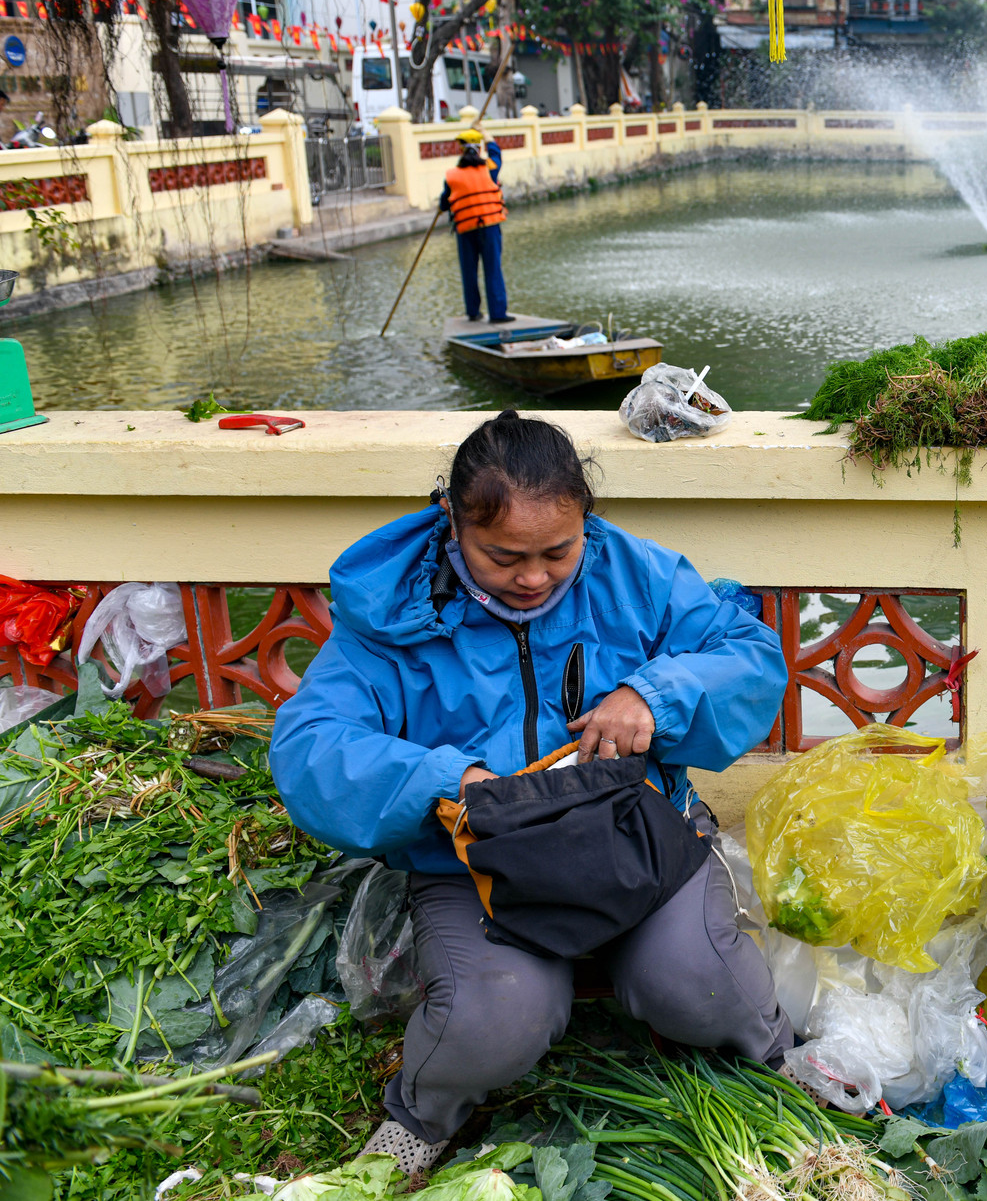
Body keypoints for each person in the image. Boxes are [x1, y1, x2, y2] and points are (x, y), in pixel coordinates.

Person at [270, 411, 791, 1173]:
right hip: (476, 866)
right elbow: (311, 742)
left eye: (559, 550)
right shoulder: (395, 610)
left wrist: (655, 696)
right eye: (503, 555)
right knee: (497, 1016)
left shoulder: (636, 577)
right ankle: (421, 1114)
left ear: (588, 520)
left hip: (638, 840)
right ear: (452, 522)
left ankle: (775, 1057)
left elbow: (748, 653)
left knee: (699, 983)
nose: (535, 577)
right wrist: (443, 779)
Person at [439, 129, 512, 323]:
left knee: (469, 271)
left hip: (466, 228)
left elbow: (444, 204)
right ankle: (497, 314)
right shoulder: (490, 167)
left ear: (461, 150)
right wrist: (488, 136)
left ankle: (473, 312)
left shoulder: (452, 175)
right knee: (493, 269)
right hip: (489, 226)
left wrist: (443, 205)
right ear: (479, 149)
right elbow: (497, 154)